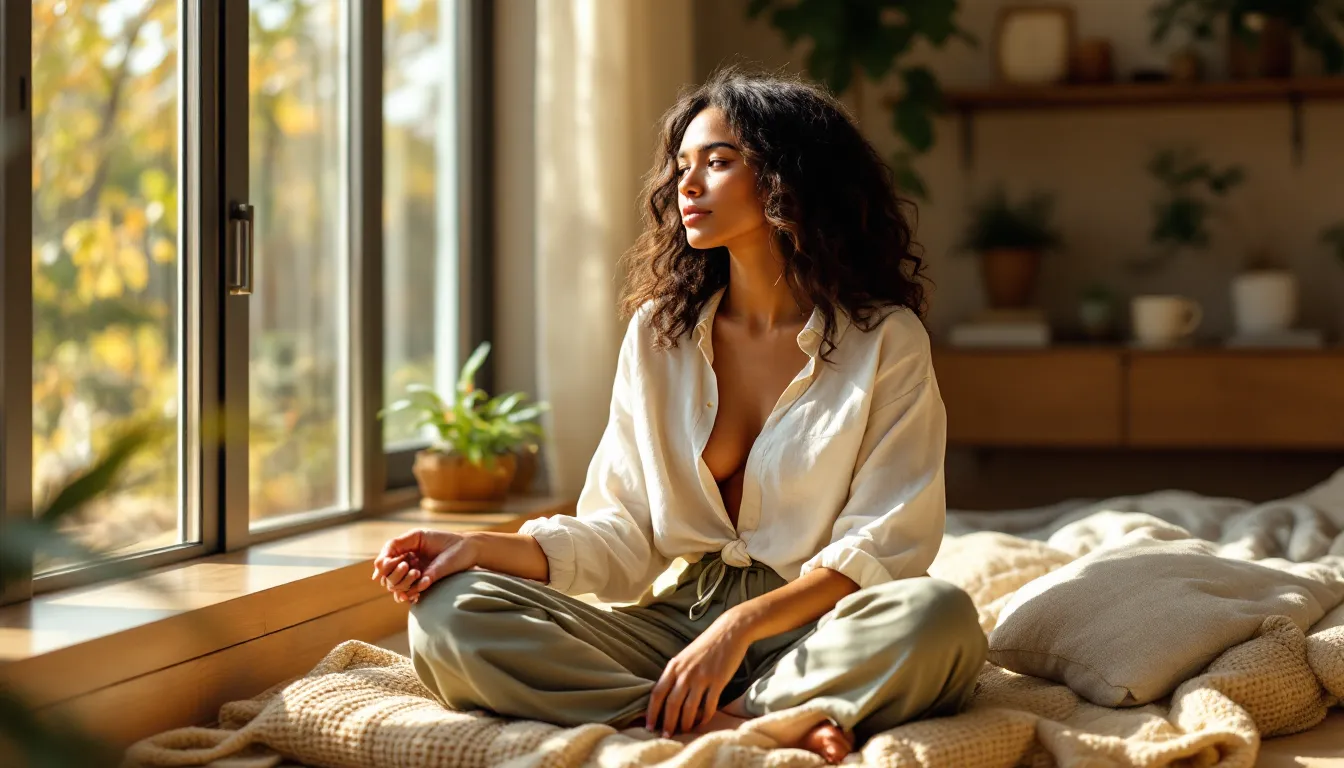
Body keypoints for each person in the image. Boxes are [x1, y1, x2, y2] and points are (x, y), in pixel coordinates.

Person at [371, 67, 986, 764]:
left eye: (718, 163)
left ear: (789, 177)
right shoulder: (659, 334)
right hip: (676, 625)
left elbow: (886, 542)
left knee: (940, 619)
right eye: (682, 166)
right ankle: (746, 723)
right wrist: (481, 548)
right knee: (450, 613)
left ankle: (694, 714)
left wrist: (740, 631)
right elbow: (623, 532)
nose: (685, 186)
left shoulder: (885, 340)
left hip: (821, 619)